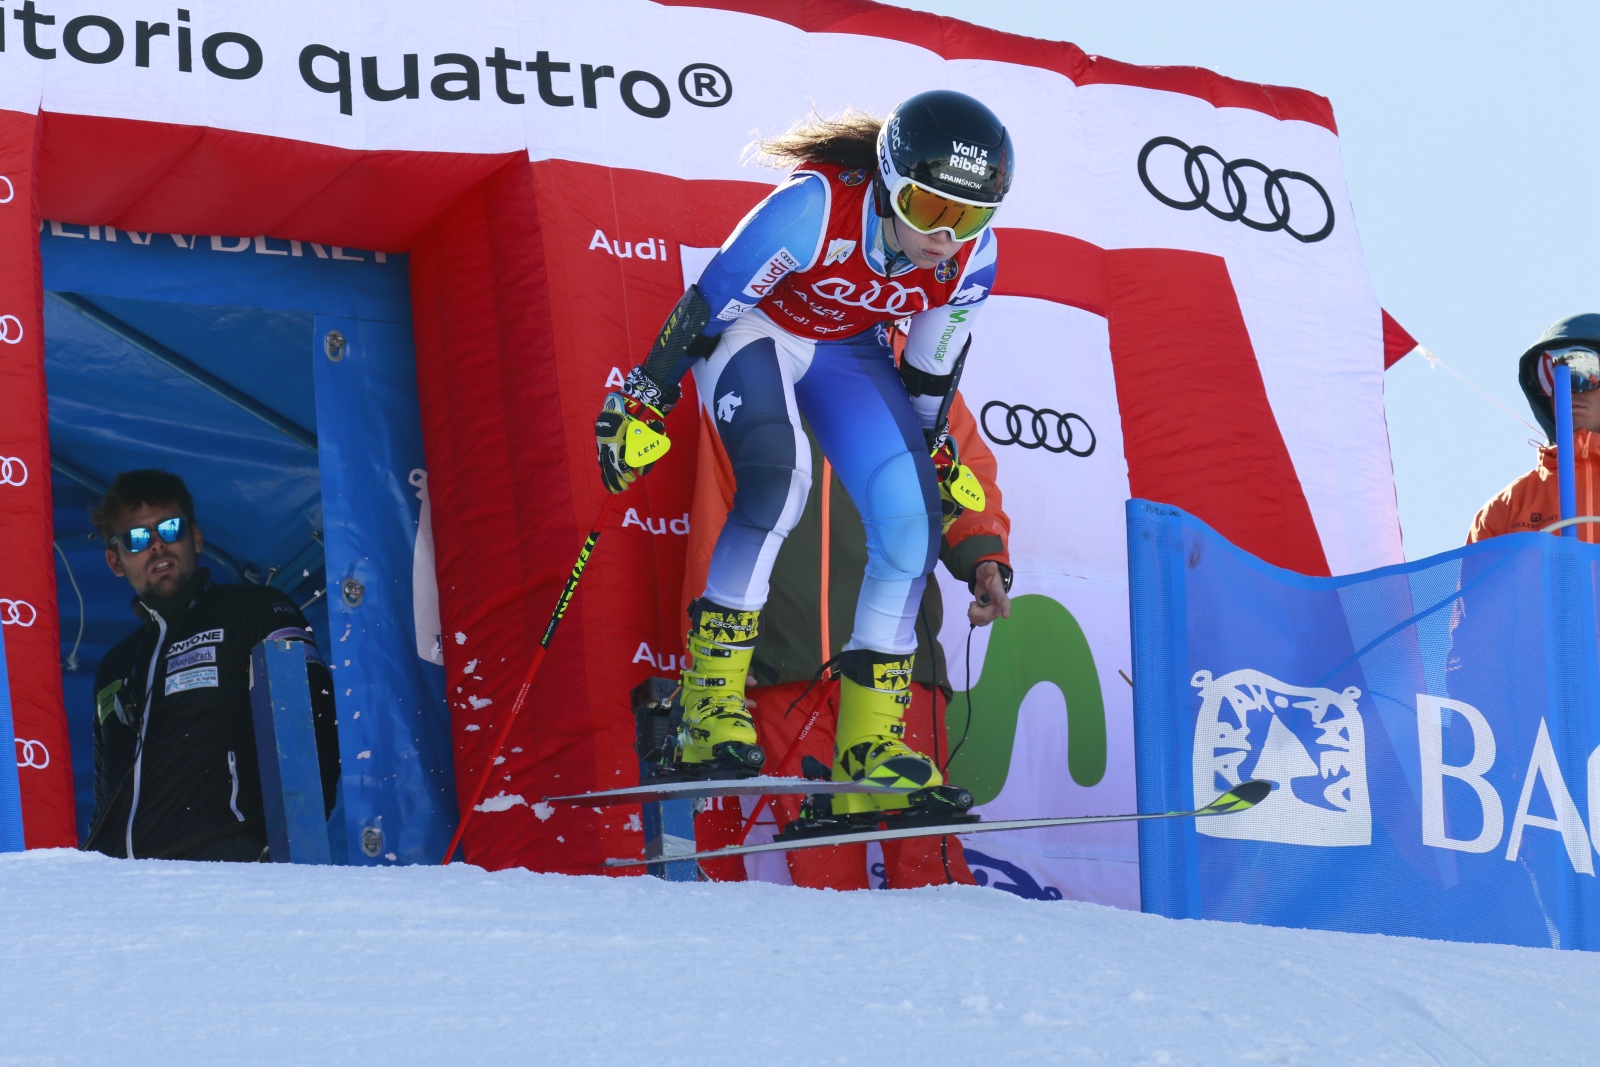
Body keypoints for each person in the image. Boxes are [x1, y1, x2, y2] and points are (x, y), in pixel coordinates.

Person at [595, 90, 1013, 813]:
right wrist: (641, 399)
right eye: (928, 208)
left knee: (910, 523)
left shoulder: (972, 260)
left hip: (846, 351)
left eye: (968, 215)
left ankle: (872, 741)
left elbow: (930, 373)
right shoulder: (812, 207)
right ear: (887, 180)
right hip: (756, 329)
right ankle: (707, 709)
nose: (945, 236)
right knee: (779, 482)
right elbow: (711, 303)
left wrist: (932, 454)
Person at [84, 470, 340, 861]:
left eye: (171, 528)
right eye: (136, 538)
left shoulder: (254, 610)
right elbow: (107, 794)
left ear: (196, 538)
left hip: (230, 874)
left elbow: (313, 730)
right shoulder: (115, 665)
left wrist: (286, 856)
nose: (156, 545)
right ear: (115, 561)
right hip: (127, 890)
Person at [1469, 314, 1600, 544]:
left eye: (1584, 370)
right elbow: (1478, 580)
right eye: (1549, 375)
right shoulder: (1504, 511)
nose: (1567, 388)